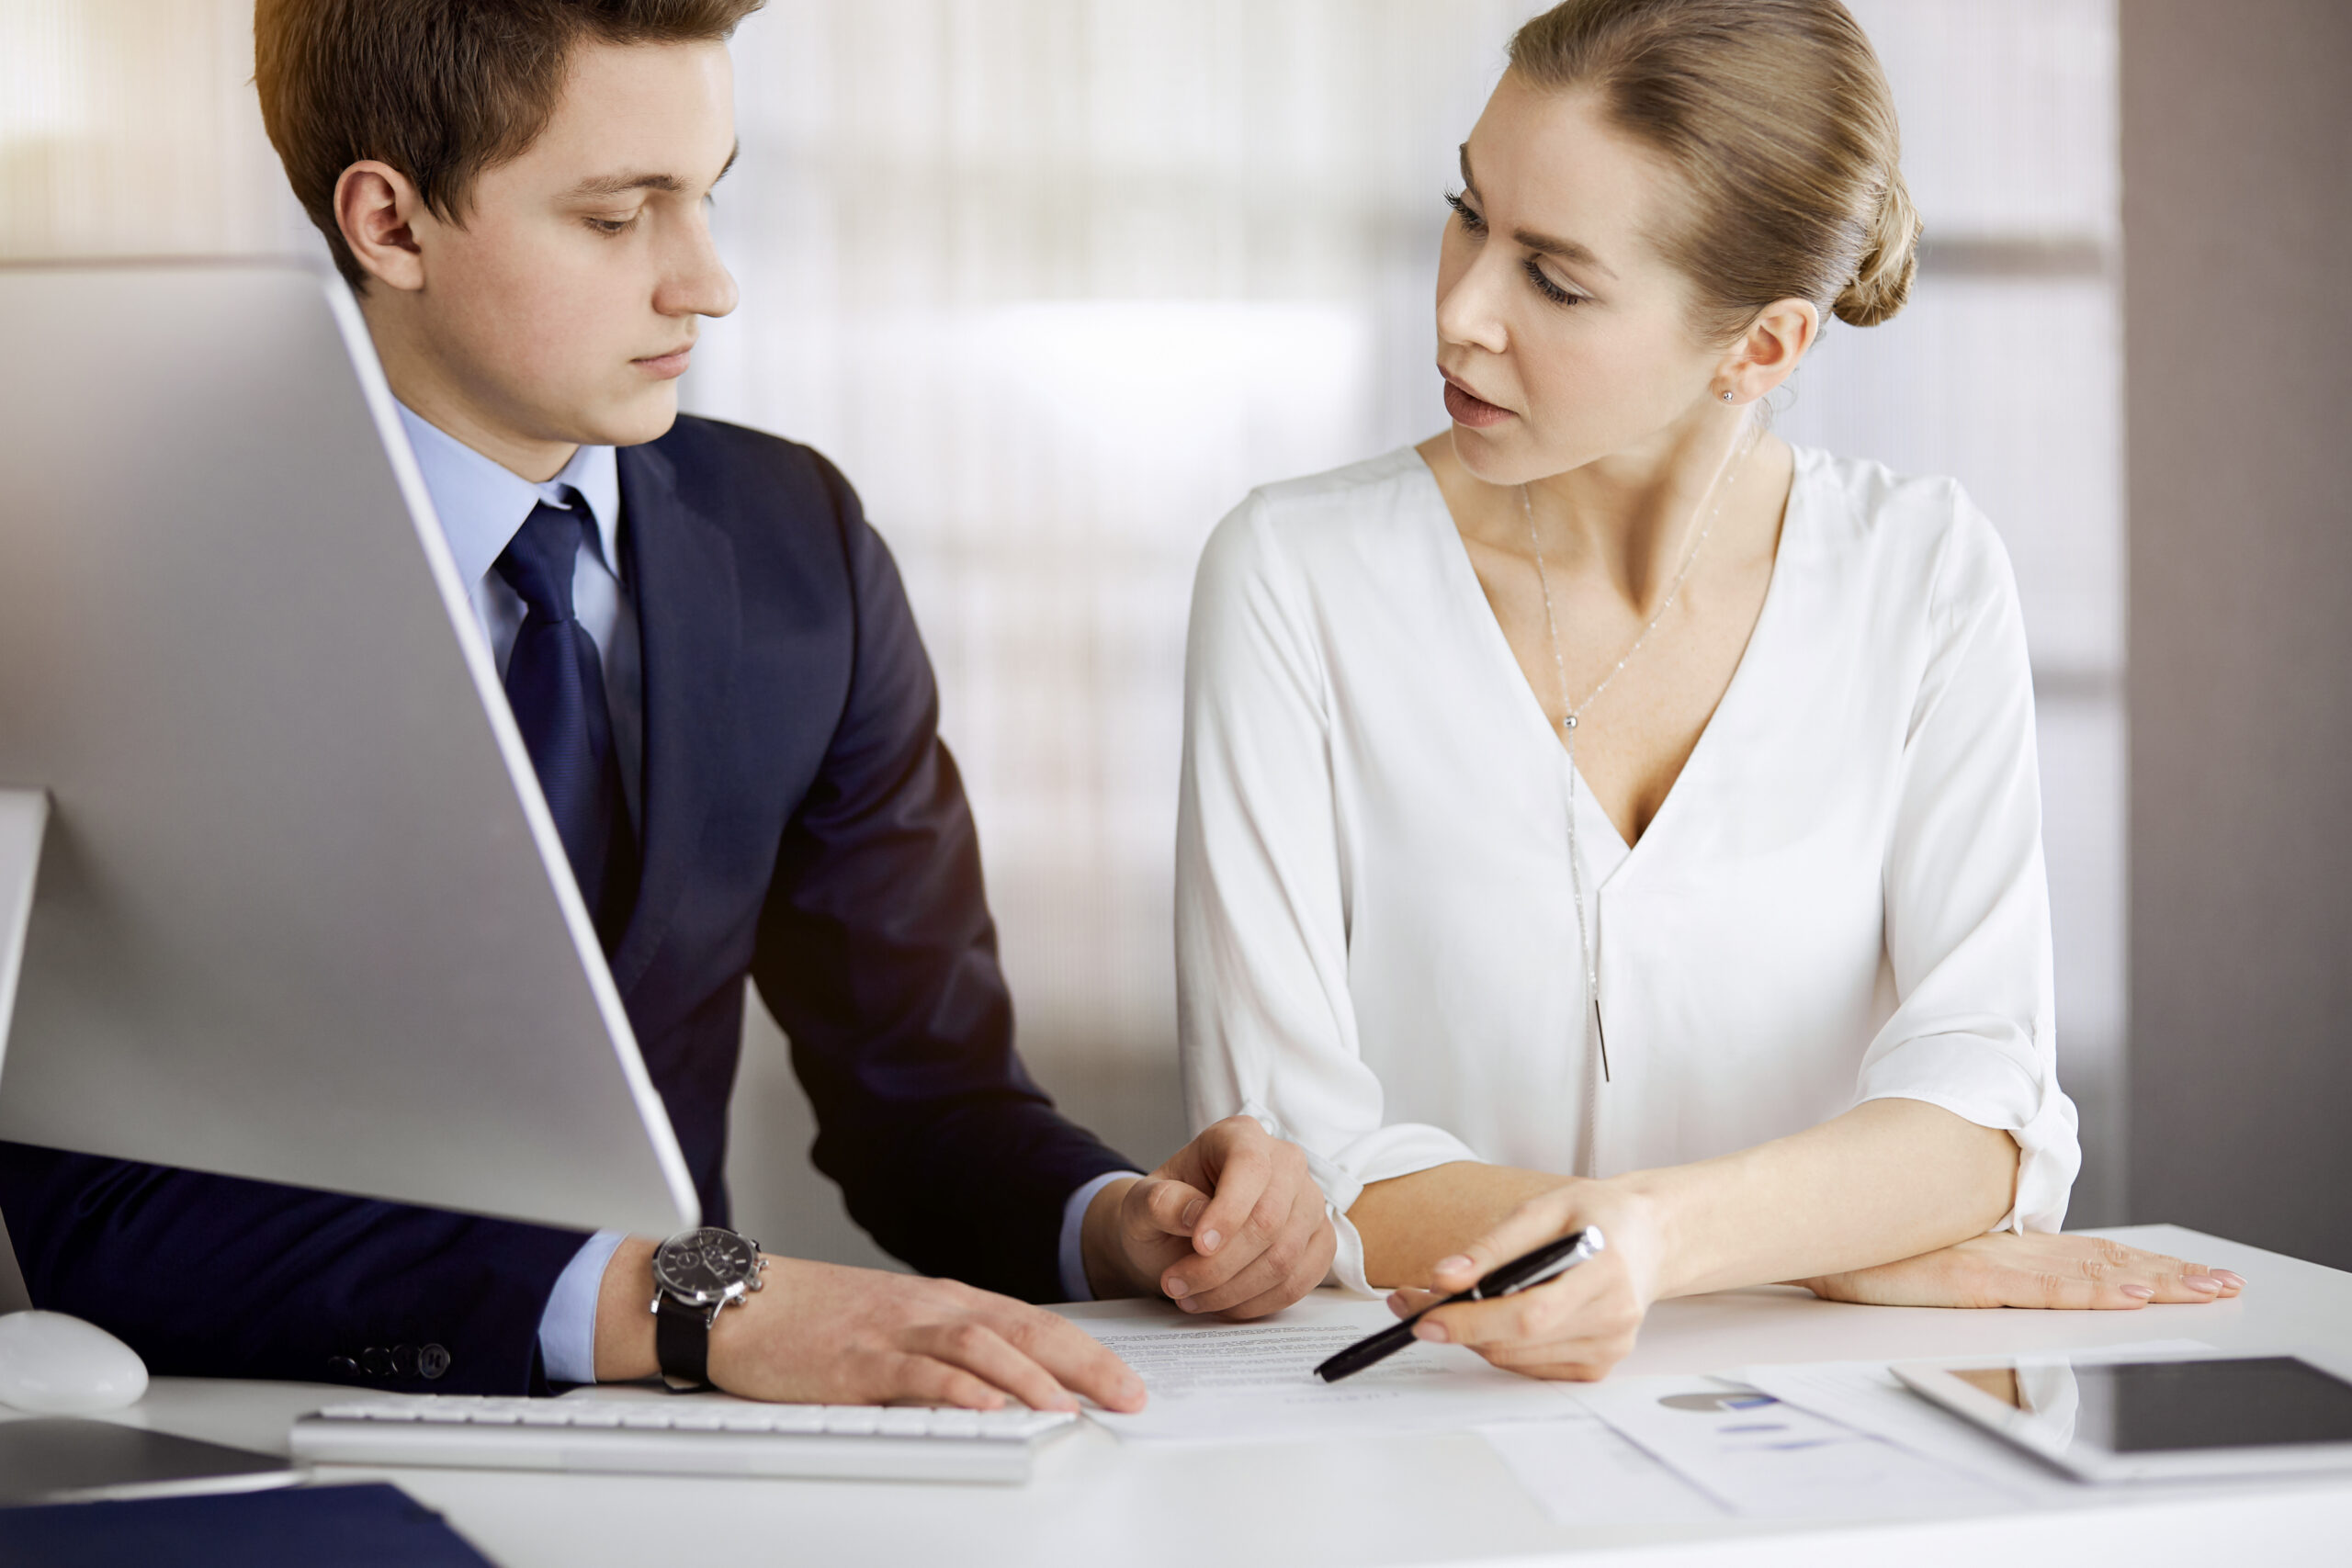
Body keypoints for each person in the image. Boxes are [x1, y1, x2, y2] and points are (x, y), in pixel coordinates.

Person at [0, 0, 1335, 1413]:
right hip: (245, 1451)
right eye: (619, 217)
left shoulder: (792, 541)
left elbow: (925, 1103)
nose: (706, 282)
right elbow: (107, 1216)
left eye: (708, 197)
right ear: (389, 224)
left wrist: (1123, 1222)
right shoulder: (114, 561)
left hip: (679, 1464)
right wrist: (702, 1304)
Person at [1175, 0, 2241, 1383]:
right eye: (1468, 213)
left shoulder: (1921, 574)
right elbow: (1294, 1172)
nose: (1460, 310)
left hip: (1844, 1448)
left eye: (1555, 279)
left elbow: (1982, 1115)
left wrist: (1667, 1242)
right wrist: (1827, 1237)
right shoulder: (1294, 572)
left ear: (1763, 348)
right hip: (1414, 1427)